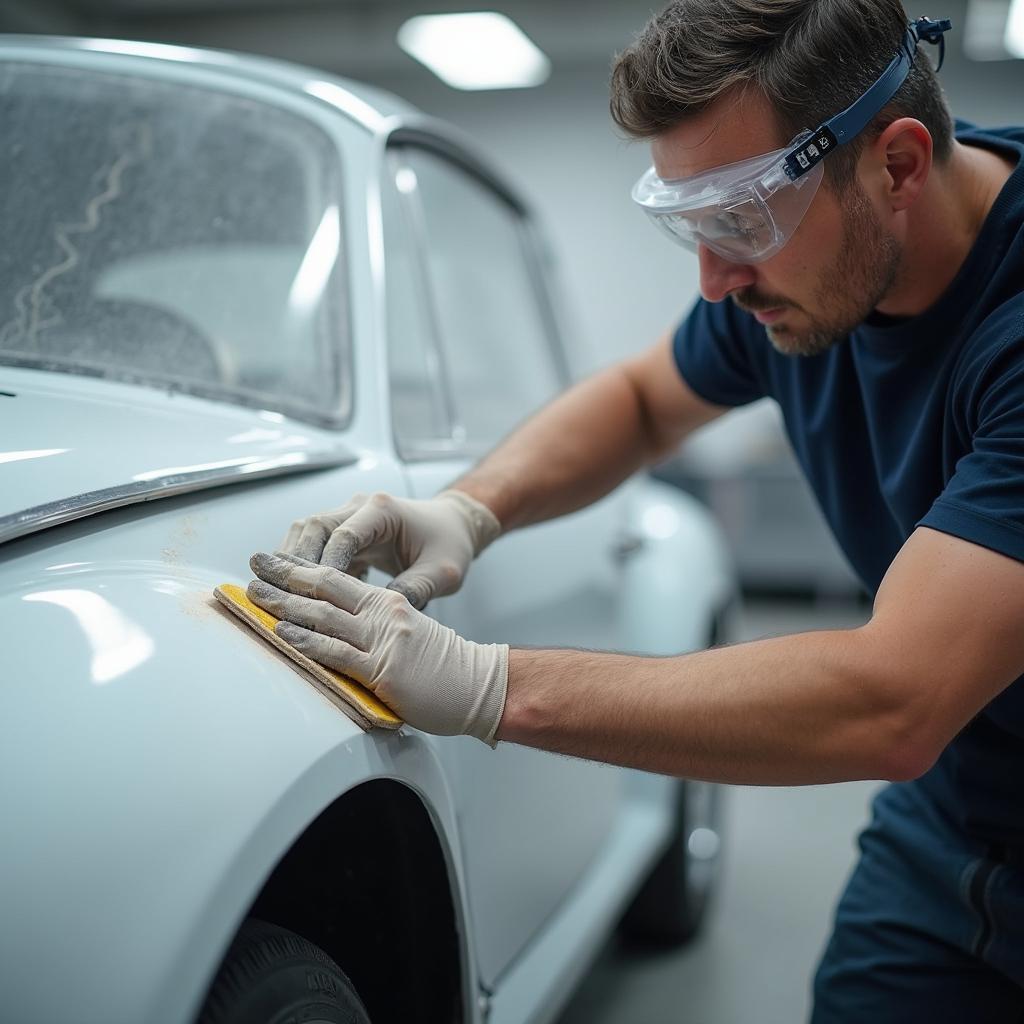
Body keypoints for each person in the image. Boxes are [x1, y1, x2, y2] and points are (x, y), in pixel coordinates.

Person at [247, 1, 1024, 1017]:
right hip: (954, 825)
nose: (713, 281)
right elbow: (643, 400)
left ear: (898, 165)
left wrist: (486, 686)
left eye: (739, 221)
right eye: (692, 226)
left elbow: (892, 699)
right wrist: (469, 509)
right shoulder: (811, 270)